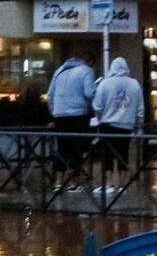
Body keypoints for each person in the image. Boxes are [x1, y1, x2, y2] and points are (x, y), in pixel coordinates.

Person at [46, 52, 97, 180]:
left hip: (59, 114)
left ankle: (58, 181)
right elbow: (89, 93)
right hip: (78, 114)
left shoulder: (59, 71)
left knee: (62, 148)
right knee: (77, 148)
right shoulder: (87, 71)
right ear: (91, 62)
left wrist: (54, 113)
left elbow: (50, 95)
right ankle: (74, 180)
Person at [93, 57, 144, 174]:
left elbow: (97, 106)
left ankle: (109, 183)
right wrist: (139, 124)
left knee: (107, 156)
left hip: (107, 124)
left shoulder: (105, 83)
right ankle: (122, 184)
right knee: (123, 154)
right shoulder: (135, 84)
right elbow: (140, 108)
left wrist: (100, 119)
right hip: (127, 125)